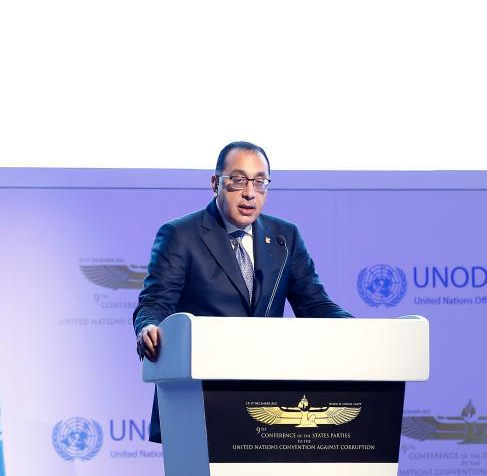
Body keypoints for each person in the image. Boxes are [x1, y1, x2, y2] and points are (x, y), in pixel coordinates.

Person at [132, 140, 352, 443]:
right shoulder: (181, 235)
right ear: (215, 184)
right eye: (238, 180)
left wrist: (357, 330)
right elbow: (155, 302)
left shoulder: (284, 237)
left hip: (266, 400)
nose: (250, 192)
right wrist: (148, 327)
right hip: (198, 397)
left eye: (260, 182)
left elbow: (314, 304)